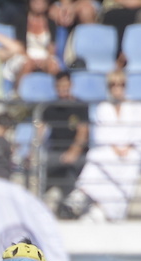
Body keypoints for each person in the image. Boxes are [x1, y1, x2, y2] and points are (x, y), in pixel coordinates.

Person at [71, 70, 141, 223]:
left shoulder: (136, 106)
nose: (117, 88)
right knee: (96, 157)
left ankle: (106, 210)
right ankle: (83, 193)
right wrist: (114, 146)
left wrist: (128, 147)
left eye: (121, 84)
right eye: (113, 85)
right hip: (109, 150)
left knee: (129, 167)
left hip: (130, 153)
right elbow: (100, 134)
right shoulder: (103, 107)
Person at [37, 71, 88, 217]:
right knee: (41, 164)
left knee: (73, 165)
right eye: (59, 86)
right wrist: (32, 153)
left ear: (71, 85)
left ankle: (69, 207)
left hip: (76, 153)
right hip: (55, 152)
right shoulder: (49, 107)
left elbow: (83, 133)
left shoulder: (80, 106)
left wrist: (73, 151)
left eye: (65, 86)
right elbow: (39, 131)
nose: (63, 89)